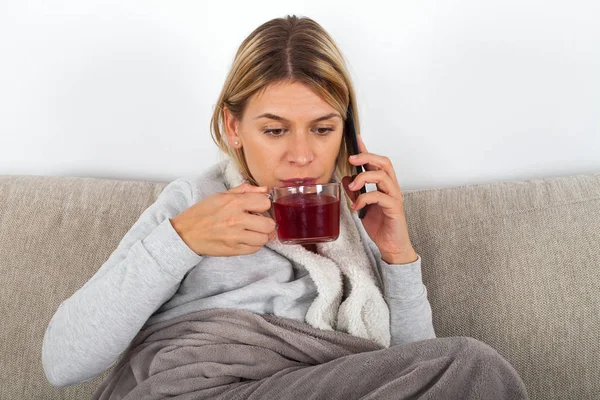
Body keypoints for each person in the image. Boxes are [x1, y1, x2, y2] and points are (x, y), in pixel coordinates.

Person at [42, 15, 529, 399]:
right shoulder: (192, 204)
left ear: (346, 130)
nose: (302, 155)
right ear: (234, 129)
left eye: (322, 129)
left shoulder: (356, 218)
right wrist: (181, 240)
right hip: (202, 387)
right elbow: (63, 362)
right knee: (473, 365)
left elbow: (413, 374)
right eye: (274, 130)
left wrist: (396, 253)